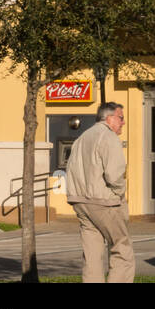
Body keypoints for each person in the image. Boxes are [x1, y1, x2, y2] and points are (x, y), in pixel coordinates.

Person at [65, 102, 134, 283]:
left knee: (92, 253)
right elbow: (114, 175)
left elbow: (70, 168)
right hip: (103, 201)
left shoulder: (82, 137)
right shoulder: (108, 137)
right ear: (109, 118)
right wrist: (119, 193)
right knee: (121, 247)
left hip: (80, 201)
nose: (123, 122)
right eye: (120, 117)